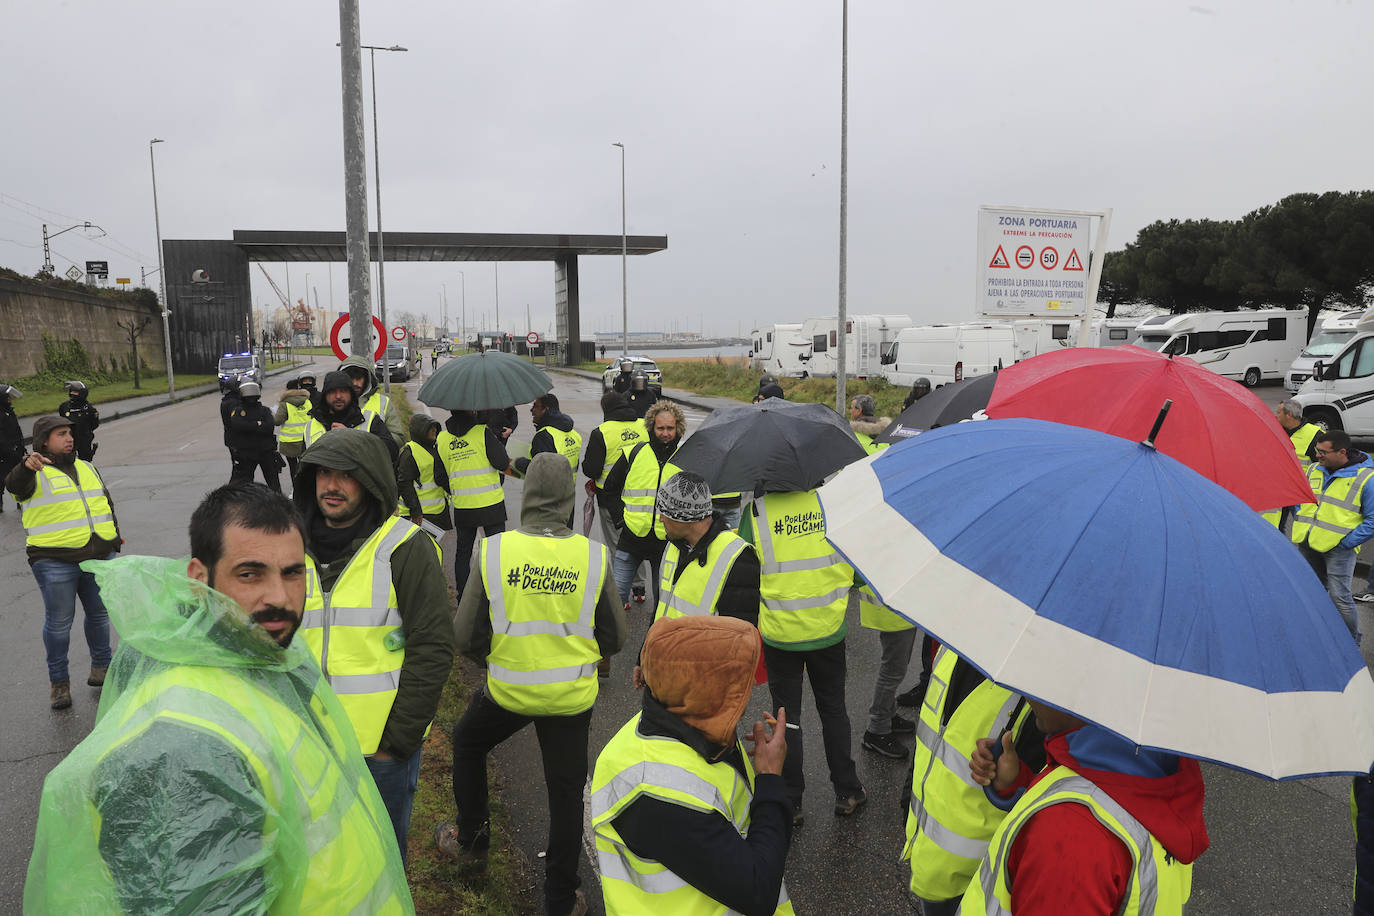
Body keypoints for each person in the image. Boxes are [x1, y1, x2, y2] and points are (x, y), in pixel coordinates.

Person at [23, 483, 413, 913]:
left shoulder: (261, 657)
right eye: (250, 574)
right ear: (199, 579)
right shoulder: (180, 751)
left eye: (292, 572)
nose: (279, 598)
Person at [440, 452, 626, 916]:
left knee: (466, 742)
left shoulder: (495, 550)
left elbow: (464, 636)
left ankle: (473, 844)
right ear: (566, 497)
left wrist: (495, 657)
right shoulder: (593, 555)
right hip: (569, 697)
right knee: (564, 793)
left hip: (508, 690)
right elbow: (616, 637)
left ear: (527, 495)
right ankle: (560, 898)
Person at [293, 428, 455, 860]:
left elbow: (434, 648)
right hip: (302, 743)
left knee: (378, 861)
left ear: (371, 481)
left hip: (378, 751)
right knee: (313, 861)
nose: (330, 485)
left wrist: (397, 742)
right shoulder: (288, 548)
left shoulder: (404, 547)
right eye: (322, 473)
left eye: (345, 475)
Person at [591, 615, 795, 915]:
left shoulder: (684, 719)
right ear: (704, 690)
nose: (750, 686)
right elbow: (757, 891)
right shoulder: (658, 791)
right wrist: (771, 779)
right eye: (735, 681)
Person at [965, 699, 1207, 914]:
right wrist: (1016, 784)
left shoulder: (1069, 836)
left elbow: (1077, 829)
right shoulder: (1146, 770)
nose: (1030, 695)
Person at [739, 481, 867, 826]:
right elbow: (856, 573)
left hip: (780, 634)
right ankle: (847, 790)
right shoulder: (833, 506)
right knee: (834, 710)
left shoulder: (757, 513)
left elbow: (745, 573)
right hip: (827, 629)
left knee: (787, 718)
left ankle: (791, 799)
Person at [900, 646, 1043, 915]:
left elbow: (1059, 793)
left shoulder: (1044, 690)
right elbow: (931, 730)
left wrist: (1013, 783)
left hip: (981, 880)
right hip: (927, 853)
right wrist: (908, 797)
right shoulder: (950, 646)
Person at [6, 415, 118, 709]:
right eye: (61, 434)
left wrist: (115, 537)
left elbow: (105, 501)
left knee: (99, 616)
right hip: (55, 559)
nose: (69, 438)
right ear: (44, 441)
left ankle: (102, 669)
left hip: (97, 555)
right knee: (59, 623)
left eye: (70, 433)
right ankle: (59, 684)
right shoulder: (34, 471)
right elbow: (14, 485)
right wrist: (24, 466)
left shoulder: (87, 466)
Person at [1291, 429, 1374, 643]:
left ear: (1342, 452)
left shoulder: (1366, 478)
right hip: (1309, 542)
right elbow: (1302, 497)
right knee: (1312, 592)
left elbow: (1372, 519)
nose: (1317, 455)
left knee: (1340, 598)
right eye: (1317, 450)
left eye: (1323, 452)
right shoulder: (1314, 469)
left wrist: (1347, 542)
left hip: (1338, 549)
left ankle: (1351, 642)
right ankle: (1318, 636)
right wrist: (1300, 515)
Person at [602, 400, 685, 610]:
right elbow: (610, 488)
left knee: (662, 602)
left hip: (666, 542)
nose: (665, 433)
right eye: (660, 428)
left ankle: (654, 641)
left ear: (678, 429)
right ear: (651, 427)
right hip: (631, 538)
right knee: (615, 599)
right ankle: (609, 642)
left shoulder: (685, 458)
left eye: (670, 428)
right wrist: (620, 519)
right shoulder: (633, 453)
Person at [649, 471, 759, 627]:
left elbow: (740, 637)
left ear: (687, 517)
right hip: (661, 647)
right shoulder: (672, 546)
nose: (660, 519)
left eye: (665, 512)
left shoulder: (738, 559)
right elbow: (660, 609)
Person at [582, 391, 650, 599]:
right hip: (640, 495)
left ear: (606, 409)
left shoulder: (601, 432)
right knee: (636, 541)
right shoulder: (643, 426)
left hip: (610, 498)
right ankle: (639, 588)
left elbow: (592, 469)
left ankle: (622, 595)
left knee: (617, 545)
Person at [443, 408, 512, 598]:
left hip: (463, 506)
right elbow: (502, 462)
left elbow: (440, 476)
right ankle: (497, 594)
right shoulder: (483, 433)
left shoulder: (442, 439)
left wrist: (458, 489)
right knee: (496, 553)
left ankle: (463, 597)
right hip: (492, 505)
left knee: (463, 553)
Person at [854, 588, 917, 760]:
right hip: (895, 610)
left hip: (900, 608)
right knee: (892, 671)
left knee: (896, 668)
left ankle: (887, 715)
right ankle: (877, 729)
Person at [305, 370, 399, 462]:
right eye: (333, 391)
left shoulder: (369, 419)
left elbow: (392, 452)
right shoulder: (311, 426)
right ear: (325, 395)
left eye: (343, 391)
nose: (338, 396)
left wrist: (351, 438)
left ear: (351, 394)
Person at [1263, 400, 1323, 529]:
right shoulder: (1274, 430)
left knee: (1305, 526)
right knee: (1275, 527)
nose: (1275, 416)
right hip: (1278, 490)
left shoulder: (1315, 435)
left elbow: (1323, 466)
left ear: (1289, 414)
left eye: (1278, 412)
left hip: (1302, 491)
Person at [397, 413, 453, 532]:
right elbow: (404, 484)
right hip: (419, 514)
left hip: (437, 510)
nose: (434, 430)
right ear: (420, 431)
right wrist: (415, 510)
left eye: (435, 427)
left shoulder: (436, 448)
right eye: (430, 428)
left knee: (435, 549)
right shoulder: (409, 453)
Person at [226, 381, 282, 492]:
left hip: (261, 451)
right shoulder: (239, 411)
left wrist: (249, 426)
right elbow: (238, 426)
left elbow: (269, 426)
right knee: (247, 482)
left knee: (271, 481)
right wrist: (257, 424)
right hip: (249, 452)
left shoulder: (264, 410)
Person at [340, 354, 407, 443]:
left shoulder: (383, 402)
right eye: (351, 378)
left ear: (367, 379)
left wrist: (365, 442)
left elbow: (398, 438)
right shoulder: (333, 402)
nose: (355, 383)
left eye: (359, 378)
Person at [275, 376, 313, 480]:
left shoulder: (284, 403)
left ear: (287, 389)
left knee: (293, 467)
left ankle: (295, 489)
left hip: (289, 442)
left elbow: (277, 421)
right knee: (305, 466)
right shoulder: (307, 401)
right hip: (306, 440)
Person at [58, 380, 100, 461]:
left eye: (75, 392)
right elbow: (61, 419)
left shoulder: (89, 409)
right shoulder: (64, 406)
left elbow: (94, 424)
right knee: (67, 460)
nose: (73, 394)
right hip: (68, 438)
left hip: (83, 438)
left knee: (85, 460)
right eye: (71, 391)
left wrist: (84, 431)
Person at [0, 384, 24, 512]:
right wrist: (9, 451)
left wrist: (21, 448)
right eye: (8, 397)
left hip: (15, 451)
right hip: (4, 454)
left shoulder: (9, 411)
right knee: (2, 479)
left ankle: (20, 500)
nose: (10, 399)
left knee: (19, 477)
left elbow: (17, 430)